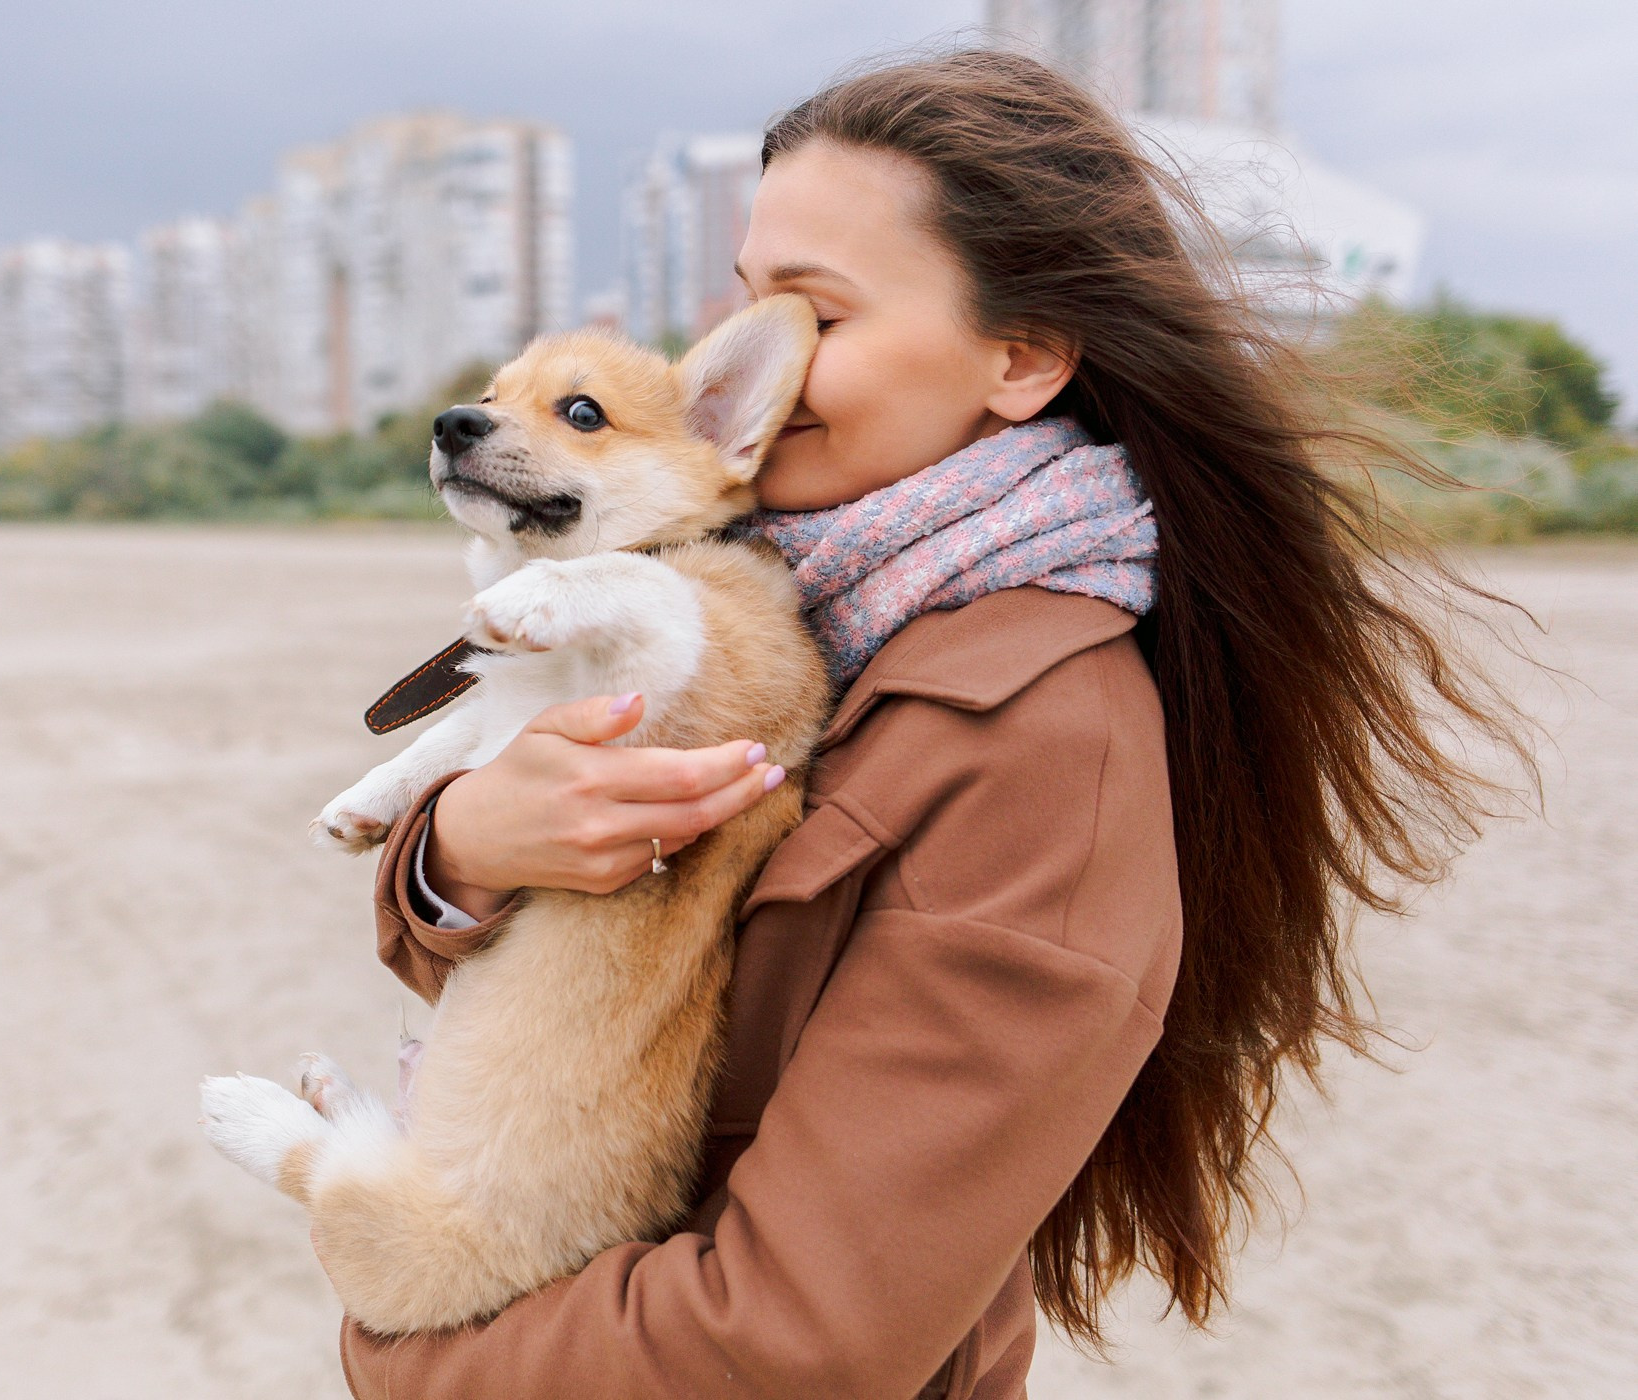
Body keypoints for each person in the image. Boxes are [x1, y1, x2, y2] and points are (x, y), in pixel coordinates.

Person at [327, 50, 1528, 1399]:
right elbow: (587, 1012)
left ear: (1018, 360)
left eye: (817, 320)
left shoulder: (1042, 749)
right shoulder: (787, 607)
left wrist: (416, 1357)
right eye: (746, 306)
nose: (755, 362)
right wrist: (464, 854)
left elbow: (801, 1342)